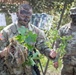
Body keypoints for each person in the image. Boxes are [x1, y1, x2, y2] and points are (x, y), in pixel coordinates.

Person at [0, 3, 58, 75]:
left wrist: (50, 53)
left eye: (28, 14)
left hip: (29, 70)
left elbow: (43, 47)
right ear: (17, 14)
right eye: (23, 13)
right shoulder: (7, 31)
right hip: (10, 71)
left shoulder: (36, 32)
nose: (26, 17)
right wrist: (4, 52)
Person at [55, 7, 76, 75]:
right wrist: (55, 60)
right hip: (67, 64)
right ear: (70, 16)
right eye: (73, 15)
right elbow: (57, 45)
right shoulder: (63, 29)